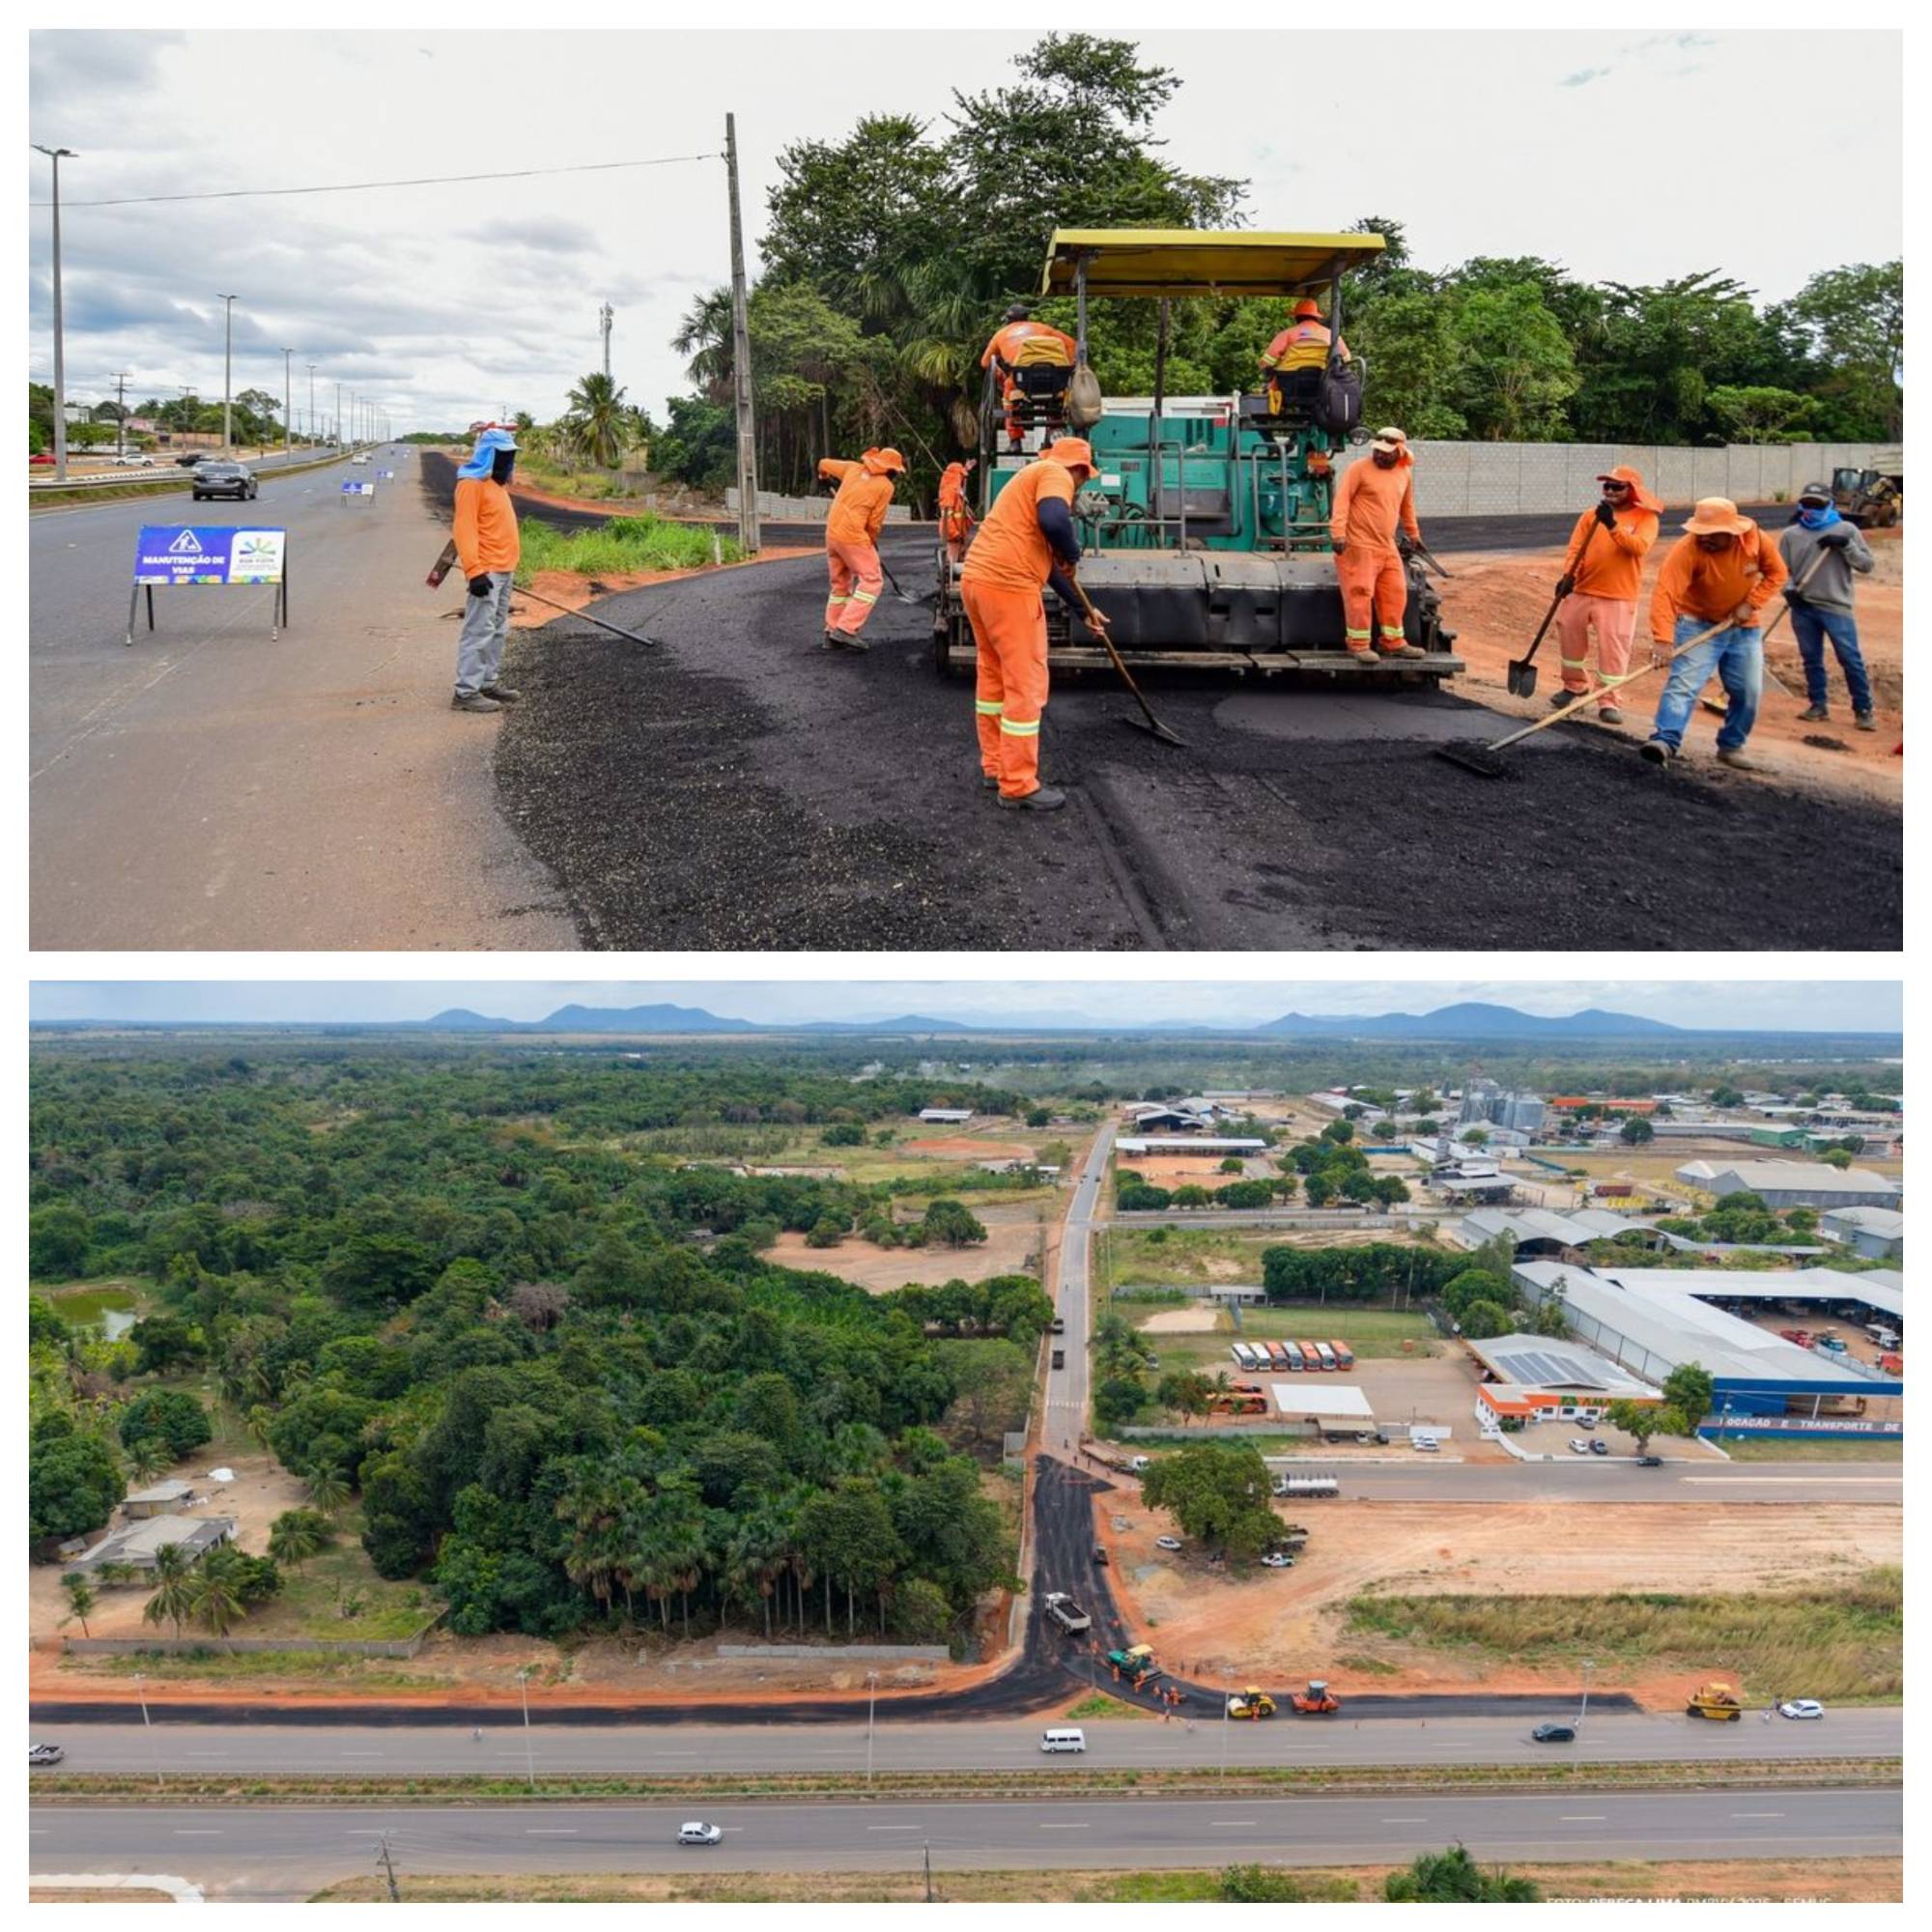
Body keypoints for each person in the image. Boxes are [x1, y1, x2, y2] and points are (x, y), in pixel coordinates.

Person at [958, 438, 1105, 810]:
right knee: (1025, 684)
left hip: (978, 581)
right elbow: (1054, 521)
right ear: (1080, 470)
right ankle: (1019, 783)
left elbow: (1049, 566)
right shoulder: (1055, 474)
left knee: (993, 676)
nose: (1082, 486)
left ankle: (995, 767)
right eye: (1084, 479)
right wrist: (1072, 550)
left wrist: (1082, 609)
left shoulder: (1030, 477)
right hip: (1009, 588)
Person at [1641, 497, 1789, 769]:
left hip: (1743, 629)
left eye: (1710, 534)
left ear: (1731, 532)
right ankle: (1664, 740)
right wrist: (1663, 639)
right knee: (1684, 686)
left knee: (1748, 690)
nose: (1703, 539)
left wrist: (1751, 603)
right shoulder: (1687, 549)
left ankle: (1732, 745)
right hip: (1696, 623)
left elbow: (1777, 574)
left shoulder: (1756, 542)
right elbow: (1665, 593)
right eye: (1699, 532)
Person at [1552, 466, 1662, 724]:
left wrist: (1612, 524)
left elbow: (1638, 547)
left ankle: (1609, 701)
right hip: (1583, 588)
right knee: (1568, 634)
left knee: (1613, 648)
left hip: (1618, 595)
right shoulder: (1590, 516)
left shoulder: (1646, 518)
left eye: (1617, 486)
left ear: (1631, 490)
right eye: (1607, 486)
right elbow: (1576, 548)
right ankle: (1574, 686)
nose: (1610, 490)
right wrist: (1568, 575)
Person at [1778, 481, 1876, 730]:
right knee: (1811, 659)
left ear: (1829, 504)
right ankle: (1818, 705)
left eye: (1817, 504)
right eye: (1808, 504)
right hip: (1803, 607)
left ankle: (1863, 710)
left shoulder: (1846, 530)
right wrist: (1789, 591)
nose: (1812, 509)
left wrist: (1845, 545)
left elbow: (1866, 565)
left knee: (1850, 658)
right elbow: (1781, 571)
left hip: (1836, 606)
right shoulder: (1791, 535)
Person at [1328, 427, 1426, 660]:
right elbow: (1341, 501)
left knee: (1396, 592)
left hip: (1386, 546)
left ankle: (1393, 642)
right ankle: (1359, 644)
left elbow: (1407, 507)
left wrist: (1414, 535)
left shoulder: (1404, 474)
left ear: (1400, 452)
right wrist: (1338, 533)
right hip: (1358, 545)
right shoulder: (1358, 469)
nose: (1380, 455)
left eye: (1386, 452)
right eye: (1377, 451)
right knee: (1360, 592)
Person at [450, 423, 523, 713]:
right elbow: (464, 528)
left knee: (498, 629)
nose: (509, 461)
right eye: (503, 455)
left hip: (505, 569)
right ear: (489, 455)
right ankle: (466, 692)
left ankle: (487, 683)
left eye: (511, 455)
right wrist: (474, 571)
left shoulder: (496, 486)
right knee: (479, 630)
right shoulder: (471, 484)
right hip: (487, 570)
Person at [815, 447, 905, 651]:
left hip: (832, 534)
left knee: (840, 586)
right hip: (853, 536)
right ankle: (846, 629)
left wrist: (823, 477)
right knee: (872, 580)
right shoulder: (885, 486)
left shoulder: (852, 468)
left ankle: (831, 632)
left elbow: (822, 463)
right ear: (891, 470)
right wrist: (871, 540)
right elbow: (875, 521)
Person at [980, 304, 1078, 452]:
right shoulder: (1044, 329)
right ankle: (1055, 430)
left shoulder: (1000, 335)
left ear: (1008, 320)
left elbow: (986, 363)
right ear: (1027, 318)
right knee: (1058, 401)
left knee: (1009, 396)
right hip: (1054, 382)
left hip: (1021, 382)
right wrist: (1068, 367)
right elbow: (1071, 343)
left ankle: (1015, 441)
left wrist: (1002, 378)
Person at [1258, 297, 1350, 415]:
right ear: (1316, 317)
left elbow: (1266, 362)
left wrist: (1267, 369)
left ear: (1297, 317)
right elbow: (1347, 359)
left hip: (1289, 389)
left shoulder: (1287, 334)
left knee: (1272, 377)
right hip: (1323, 386)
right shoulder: (1331, 335)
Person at [938, 457, 978, 563]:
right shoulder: (949, 491)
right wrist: (953, 533)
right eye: (961, 475)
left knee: (961, 560)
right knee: (952, 564)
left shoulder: (955, 489)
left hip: (960, 533)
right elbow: (947, 515)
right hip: (954, 535)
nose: (963, 478)